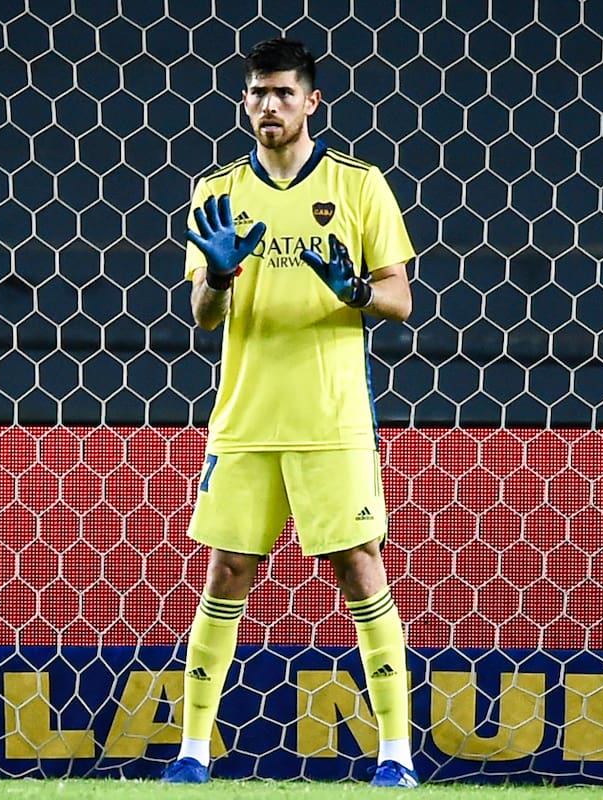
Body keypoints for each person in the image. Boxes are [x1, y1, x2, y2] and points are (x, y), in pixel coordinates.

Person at [161, 38, 418, 788]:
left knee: (358, 568)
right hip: (245, 417)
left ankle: (396, 757)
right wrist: (214, 272)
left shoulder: (360, 185)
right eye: (255, 93)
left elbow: (400, 299)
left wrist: (356, 292)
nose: (267, 105)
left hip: (333, 417)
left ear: (311, 102)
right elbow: (204, 317)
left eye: (281, 93)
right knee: (228, 569)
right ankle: (192, 754)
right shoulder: (215, 191)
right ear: (244, 103)